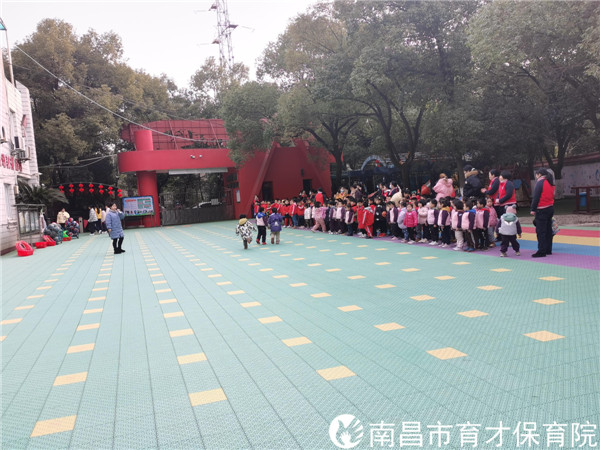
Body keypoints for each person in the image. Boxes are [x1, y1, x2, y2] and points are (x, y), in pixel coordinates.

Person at [530, 168, 555, 257]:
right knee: (548, 230)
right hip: (550, 207)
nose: (536, 176)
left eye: (536, 174)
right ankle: (548, 249)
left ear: (539, 174)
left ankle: (541, 251)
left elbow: (536, 197)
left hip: (542, 209)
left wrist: (533, 209)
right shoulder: (550, 182)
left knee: (541, 231)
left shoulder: (540, 182)